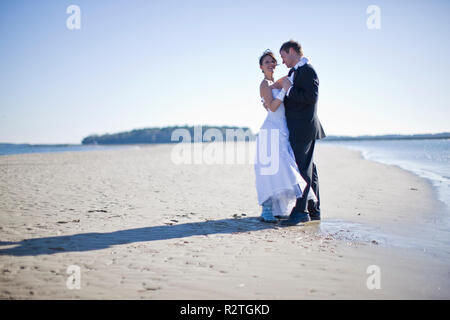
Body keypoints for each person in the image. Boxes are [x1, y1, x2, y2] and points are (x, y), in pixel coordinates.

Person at [254, 49, 316, 223]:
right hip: (271, 131)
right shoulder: (264, 83)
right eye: (267, 62)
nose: (271, 64)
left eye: (273, 61)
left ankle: (279, 208)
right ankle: (266, 209)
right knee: (271, 170)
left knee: (283, 169)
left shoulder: (278, 82)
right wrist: (284, 90)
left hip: (283, 130)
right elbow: (272, 107)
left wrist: (285, 87)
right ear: (261, 67)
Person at [277, 40, 326, 226]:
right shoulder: (294, 72)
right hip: (298, 127)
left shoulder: (307, 70)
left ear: (291, 51)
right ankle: (315, 210)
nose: (282, 61)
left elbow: (311, 97)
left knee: (301, 169)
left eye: (283, 56)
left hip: (303, 127)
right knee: (309, 170)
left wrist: (289, 88)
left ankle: (300, 212)